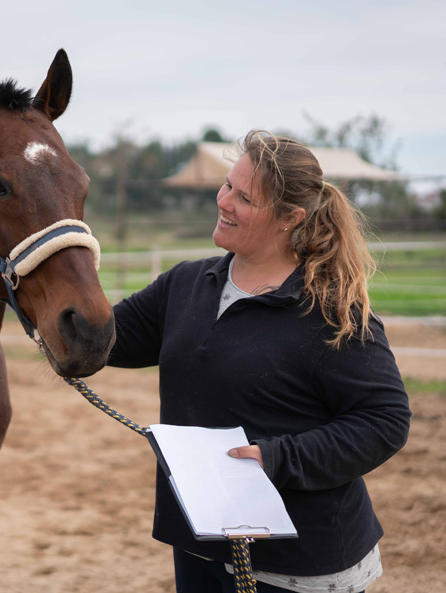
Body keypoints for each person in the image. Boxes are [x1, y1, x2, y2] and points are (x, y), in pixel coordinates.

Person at [107, 131, 410, 593]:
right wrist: (35, 275)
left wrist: (276, 458)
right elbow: (100, 339)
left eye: (244, 197)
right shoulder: (186, 284)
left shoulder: (331, 311)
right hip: (201, 542)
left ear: (290, 218)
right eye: (228, 185)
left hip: (299, 565)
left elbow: (384, 421)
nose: (223, 201)